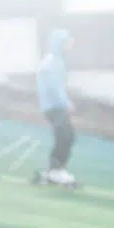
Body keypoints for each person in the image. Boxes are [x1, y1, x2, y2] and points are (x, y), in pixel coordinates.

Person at [36, 27, 77, 186]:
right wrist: (66, 103)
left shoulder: (56, 60)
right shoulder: (52, 61)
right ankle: (56, 171)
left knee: (66, 136)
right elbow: (54, 87)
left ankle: (56, 170)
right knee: (65, 136)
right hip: (54, 106)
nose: (71, 44)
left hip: (53, 106)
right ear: (60, 43)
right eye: (68, 41)